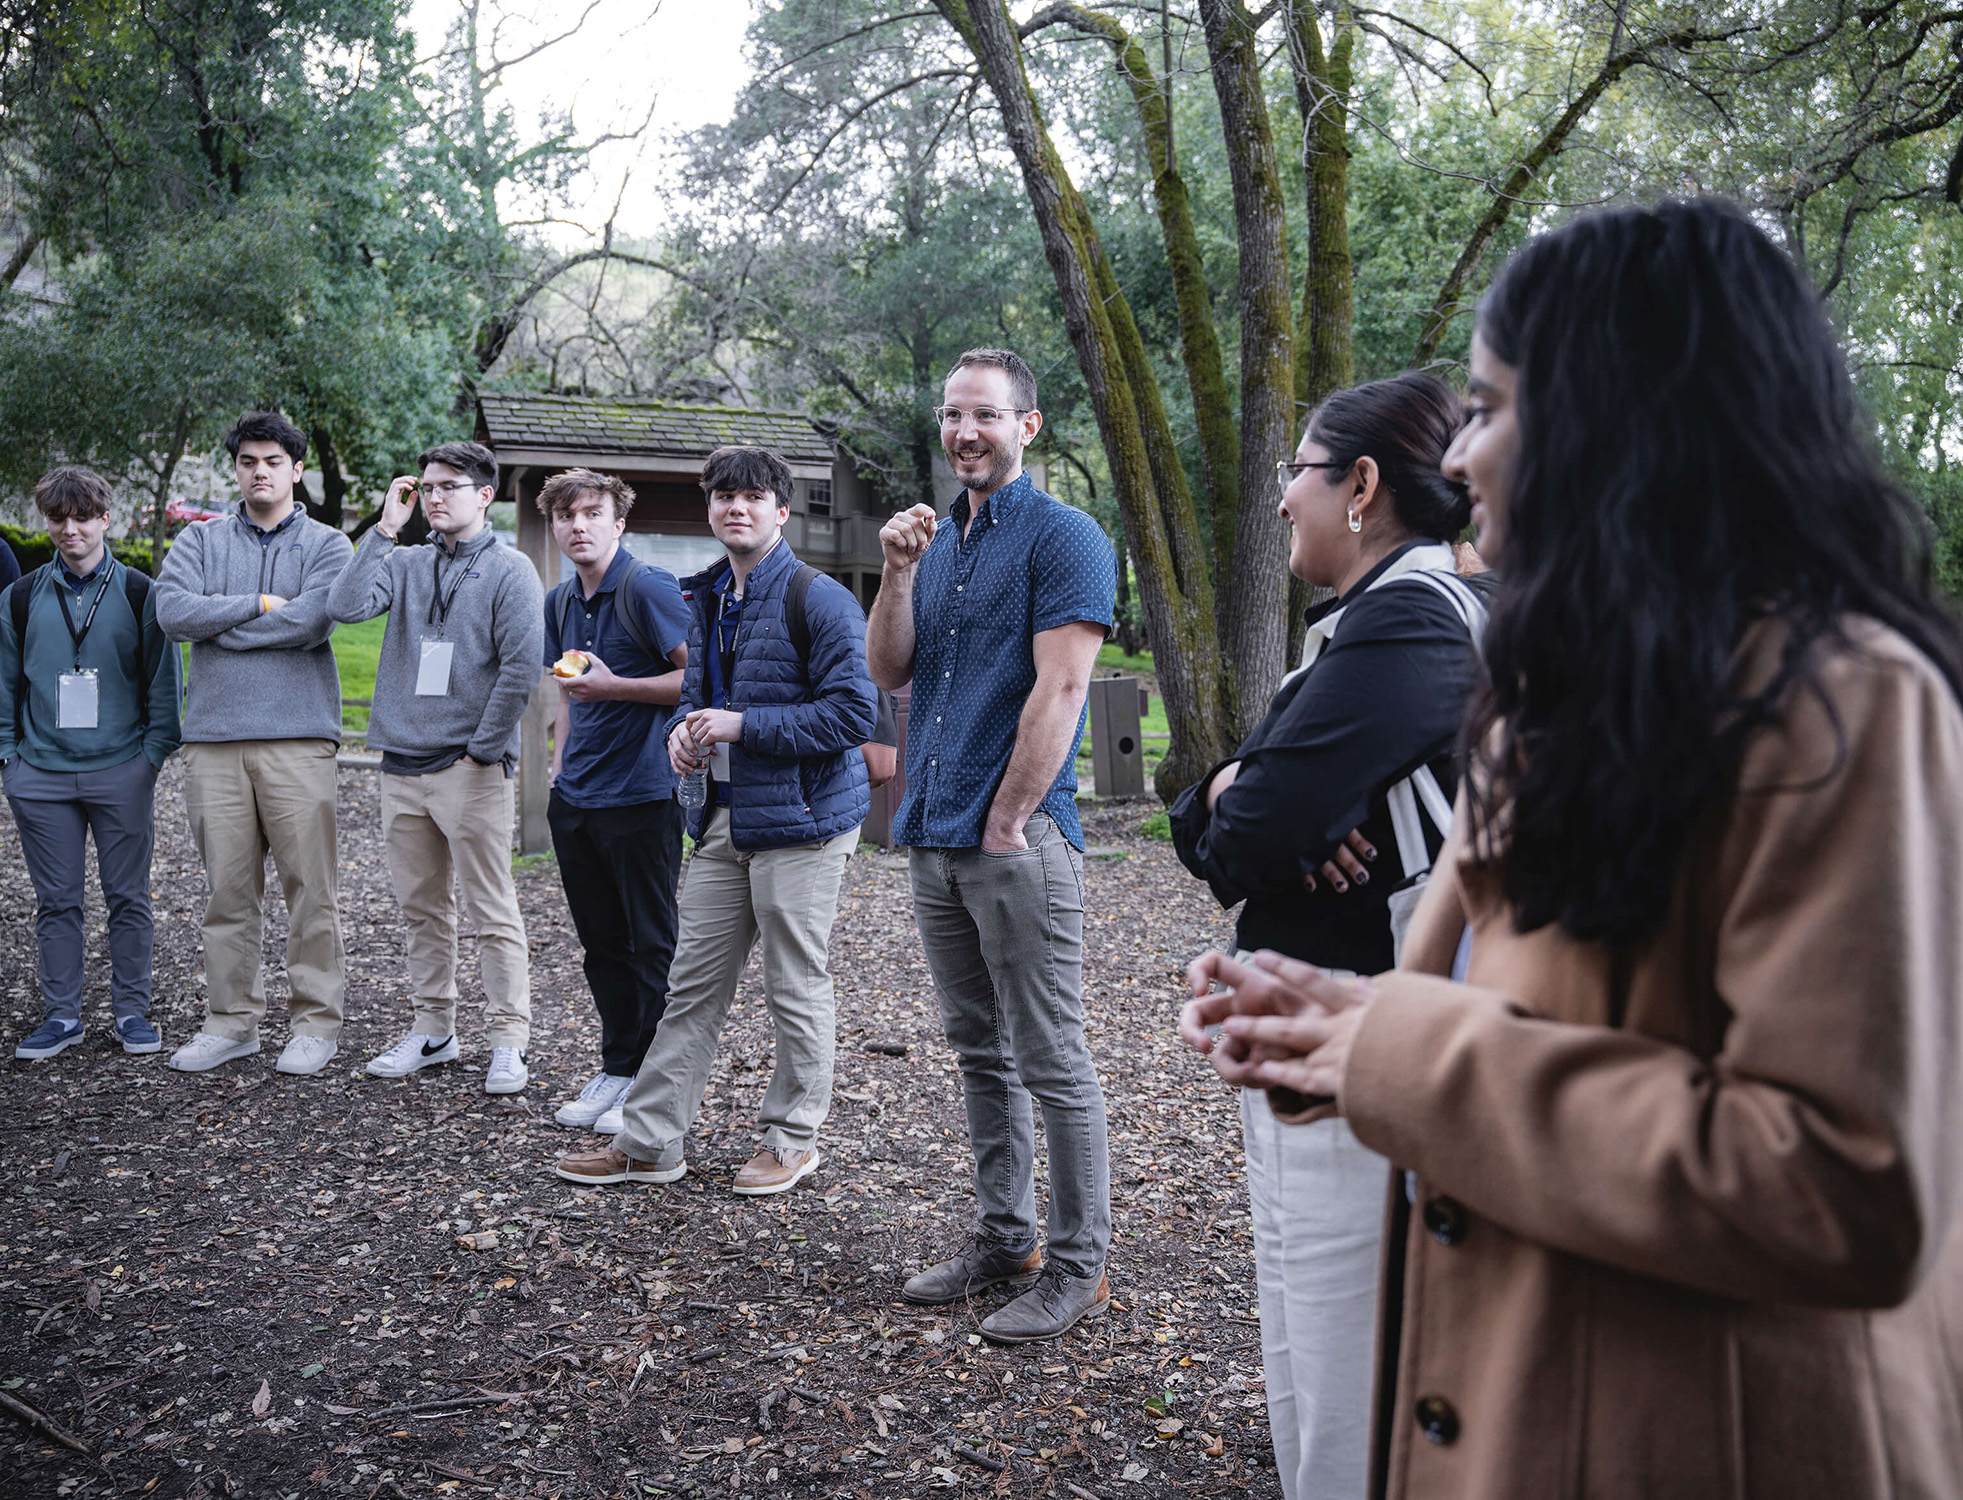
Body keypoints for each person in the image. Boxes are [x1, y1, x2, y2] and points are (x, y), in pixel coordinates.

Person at [1180, 198, 1963, 1499]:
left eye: (1486, 408)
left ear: (1620, 416)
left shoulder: (1844, 706)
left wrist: (1397, 1051)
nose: (1462, 458)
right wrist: (1335, 1026)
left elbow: (1840, 1182)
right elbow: (1512, 1029)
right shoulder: (1566, 690)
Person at [1167, 373, 1481, 1498]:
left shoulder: (1411, 616)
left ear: (1358, 485)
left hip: (1362, 1059)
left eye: (1294, 473)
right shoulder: (1363, 624)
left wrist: (1243, 800)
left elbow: (1244, 832)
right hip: (1316, 1046)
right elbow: (1213, 810)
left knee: (1348, 1383)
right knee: (1303, 1363)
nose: (1280, 503)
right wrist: (1237, 792)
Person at [867, 347, 1117, 1343]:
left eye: (986, 414)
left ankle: (1077, 1267)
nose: (965, 430)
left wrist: (1009, 816)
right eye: (952, 414)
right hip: (932, 836)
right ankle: (1003, 1238)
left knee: (1052, 1060)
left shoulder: (1065, 539)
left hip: (1014, 839)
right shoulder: (934, 544)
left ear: (1028, 426)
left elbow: (1060, 689)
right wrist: (894, 573)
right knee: (979, 1051)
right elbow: (892, 666)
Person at [554, 444, 876, 1197]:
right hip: (724, 822)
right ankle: (649, 1143)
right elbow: (699, 699)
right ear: (709, 508)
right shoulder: (704, 598)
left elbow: (853, 715)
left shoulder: (817, 596)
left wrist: (739, 726)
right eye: (724, 496)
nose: (737, 508)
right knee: (690, 986)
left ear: (781, 510)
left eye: (753, 497)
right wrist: (686, 734)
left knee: (794, 984)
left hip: (805, 821)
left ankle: (792, 1140)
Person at [327, 441, 544, 1095]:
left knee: (490, 909)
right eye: (425, 487)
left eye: (449, 486)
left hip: (469, 769)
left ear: (484, 495)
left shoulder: (512, 570)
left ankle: (508, 1039)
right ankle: (434, 1031)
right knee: (422, 908)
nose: (434, 496)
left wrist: (480, 748)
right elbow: (344, 607)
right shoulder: (408, 562)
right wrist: (383, 529)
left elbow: (520, 667)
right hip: (401, 765)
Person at [156, 410, 354, 1076]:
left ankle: (315, 1024)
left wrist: (231, 618)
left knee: (310, 889)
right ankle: (231, 1022)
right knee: (227, 893)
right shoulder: (201, 542)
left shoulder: (330, 545)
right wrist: (260, 604)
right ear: (235, 469)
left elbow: (312, 621)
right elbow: (172, 613)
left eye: (272, 461)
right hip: (213, 741)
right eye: (248, 461)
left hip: (298, 740)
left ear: (296, 469)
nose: (259, 471)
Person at [0, 466, 180, 1059]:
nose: (69, 530)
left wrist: (150, 758)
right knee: (56, 901)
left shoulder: (139, 592)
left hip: (121, 768)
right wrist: (9, 760)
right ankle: (62, 1016)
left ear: (106, 519)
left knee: (128, 897)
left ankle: (131, 1012)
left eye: (82, 518)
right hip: (40, 773)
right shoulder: (21, 597)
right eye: (57, 518)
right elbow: (3, 686)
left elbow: (162, 682)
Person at [536, 468, 690, 1128]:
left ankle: (653, 1085)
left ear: (618, 523)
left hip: (642, 795)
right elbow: (570, 689)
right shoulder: (560, 602)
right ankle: (618, 1068)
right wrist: (559, 764)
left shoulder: (647, 588)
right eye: (566, 515)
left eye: (592, 513)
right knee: (599, 944)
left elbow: (696, 677)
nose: (578, 525)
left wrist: (620, 687)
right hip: (578, 799)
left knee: (647, 943)